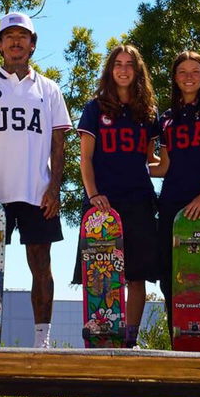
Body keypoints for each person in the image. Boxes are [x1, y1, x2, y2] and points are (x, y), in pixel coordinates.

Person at [0, 12, 71, 348]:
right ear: (0, 45)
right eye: (10, 36)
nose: (16, 41)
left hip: (37, 192)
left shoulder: (49, 89)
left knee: (41, 264)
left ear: (33, 45)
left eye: (23, 36)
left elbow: (59, 143)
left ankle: (42, 340)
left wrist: (54, 188)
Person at [76, 44, 161, 347]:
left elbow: (151, 161)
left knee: (136, 276)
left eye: (130, 65)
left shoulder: (148, 111)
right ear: (110, 70)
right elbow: (84, 159)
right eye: (118, 64)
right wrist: (94, 193)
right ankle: (102, 337)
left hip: (138, 199)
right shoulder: (95, 108)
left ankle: (131, 340)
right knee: (100, 273)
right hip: (103, 202)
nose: (123, 69)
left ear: (138, 71)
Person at [150, 51, 200, 351]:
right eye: (182, 71)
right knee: (170, 279)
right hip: (172, 204)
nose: (188, 76)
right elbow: (164, 166)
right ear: (174, 77)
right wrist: (125, 167)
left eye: (195, 70)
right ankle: (180, 347)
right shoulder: (166, 119)